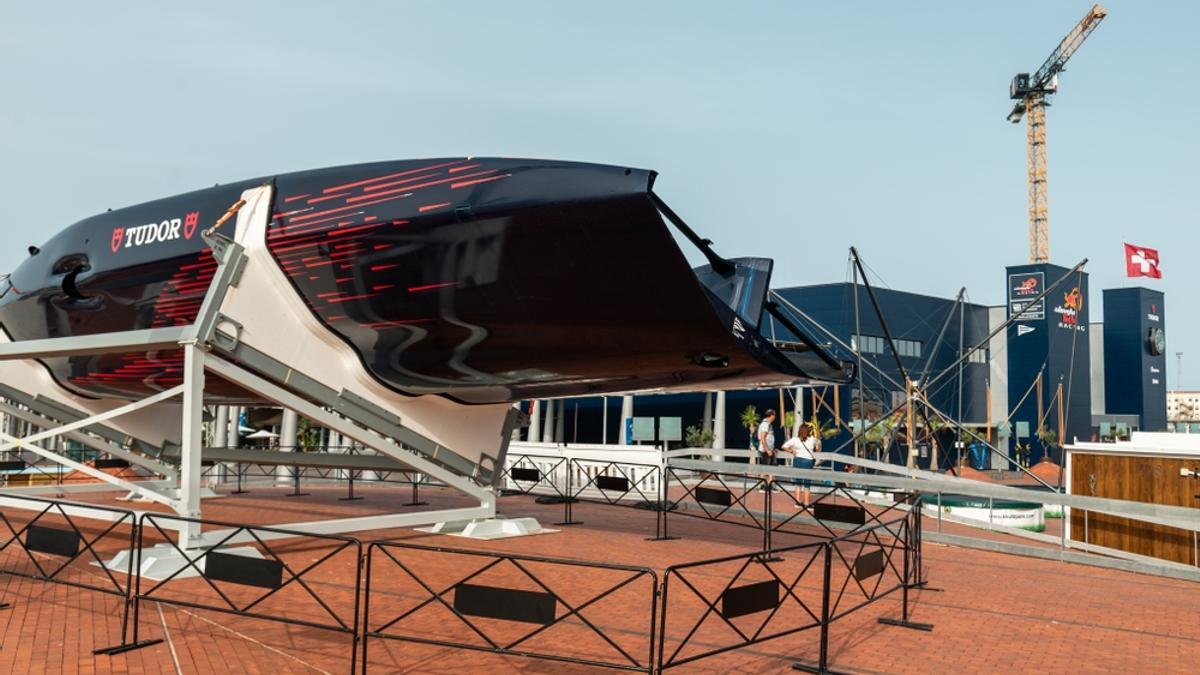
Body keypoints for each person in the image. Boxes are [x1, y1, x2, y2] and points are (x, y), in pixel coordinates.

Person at [783, 423, 820, 506]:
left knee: (798, 482)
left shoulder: (795, 440)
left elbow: (784, 446)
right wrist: (817, 443)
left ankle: (798, 502)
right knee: (807, 483)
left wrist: (792, 451)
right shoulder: (812, 439)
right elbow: (817, 450)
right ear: (808, 431)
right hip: (808, 462)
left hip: (797, 460)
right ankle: (807, 503)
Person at [757, 409, 777, 492]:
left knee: (771, 468)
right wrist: (767, 450)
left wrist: (772, 448)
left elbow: (768, 438)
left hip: (769, 450)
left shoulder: (767, 424)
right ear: (771, 415)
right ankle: (763, 486)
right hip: (765, 451)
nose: (775, 417)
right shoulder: (765, 424)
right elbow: (762, 438)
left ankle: (769, 486)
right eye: (774, 415)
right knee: (765, 469)